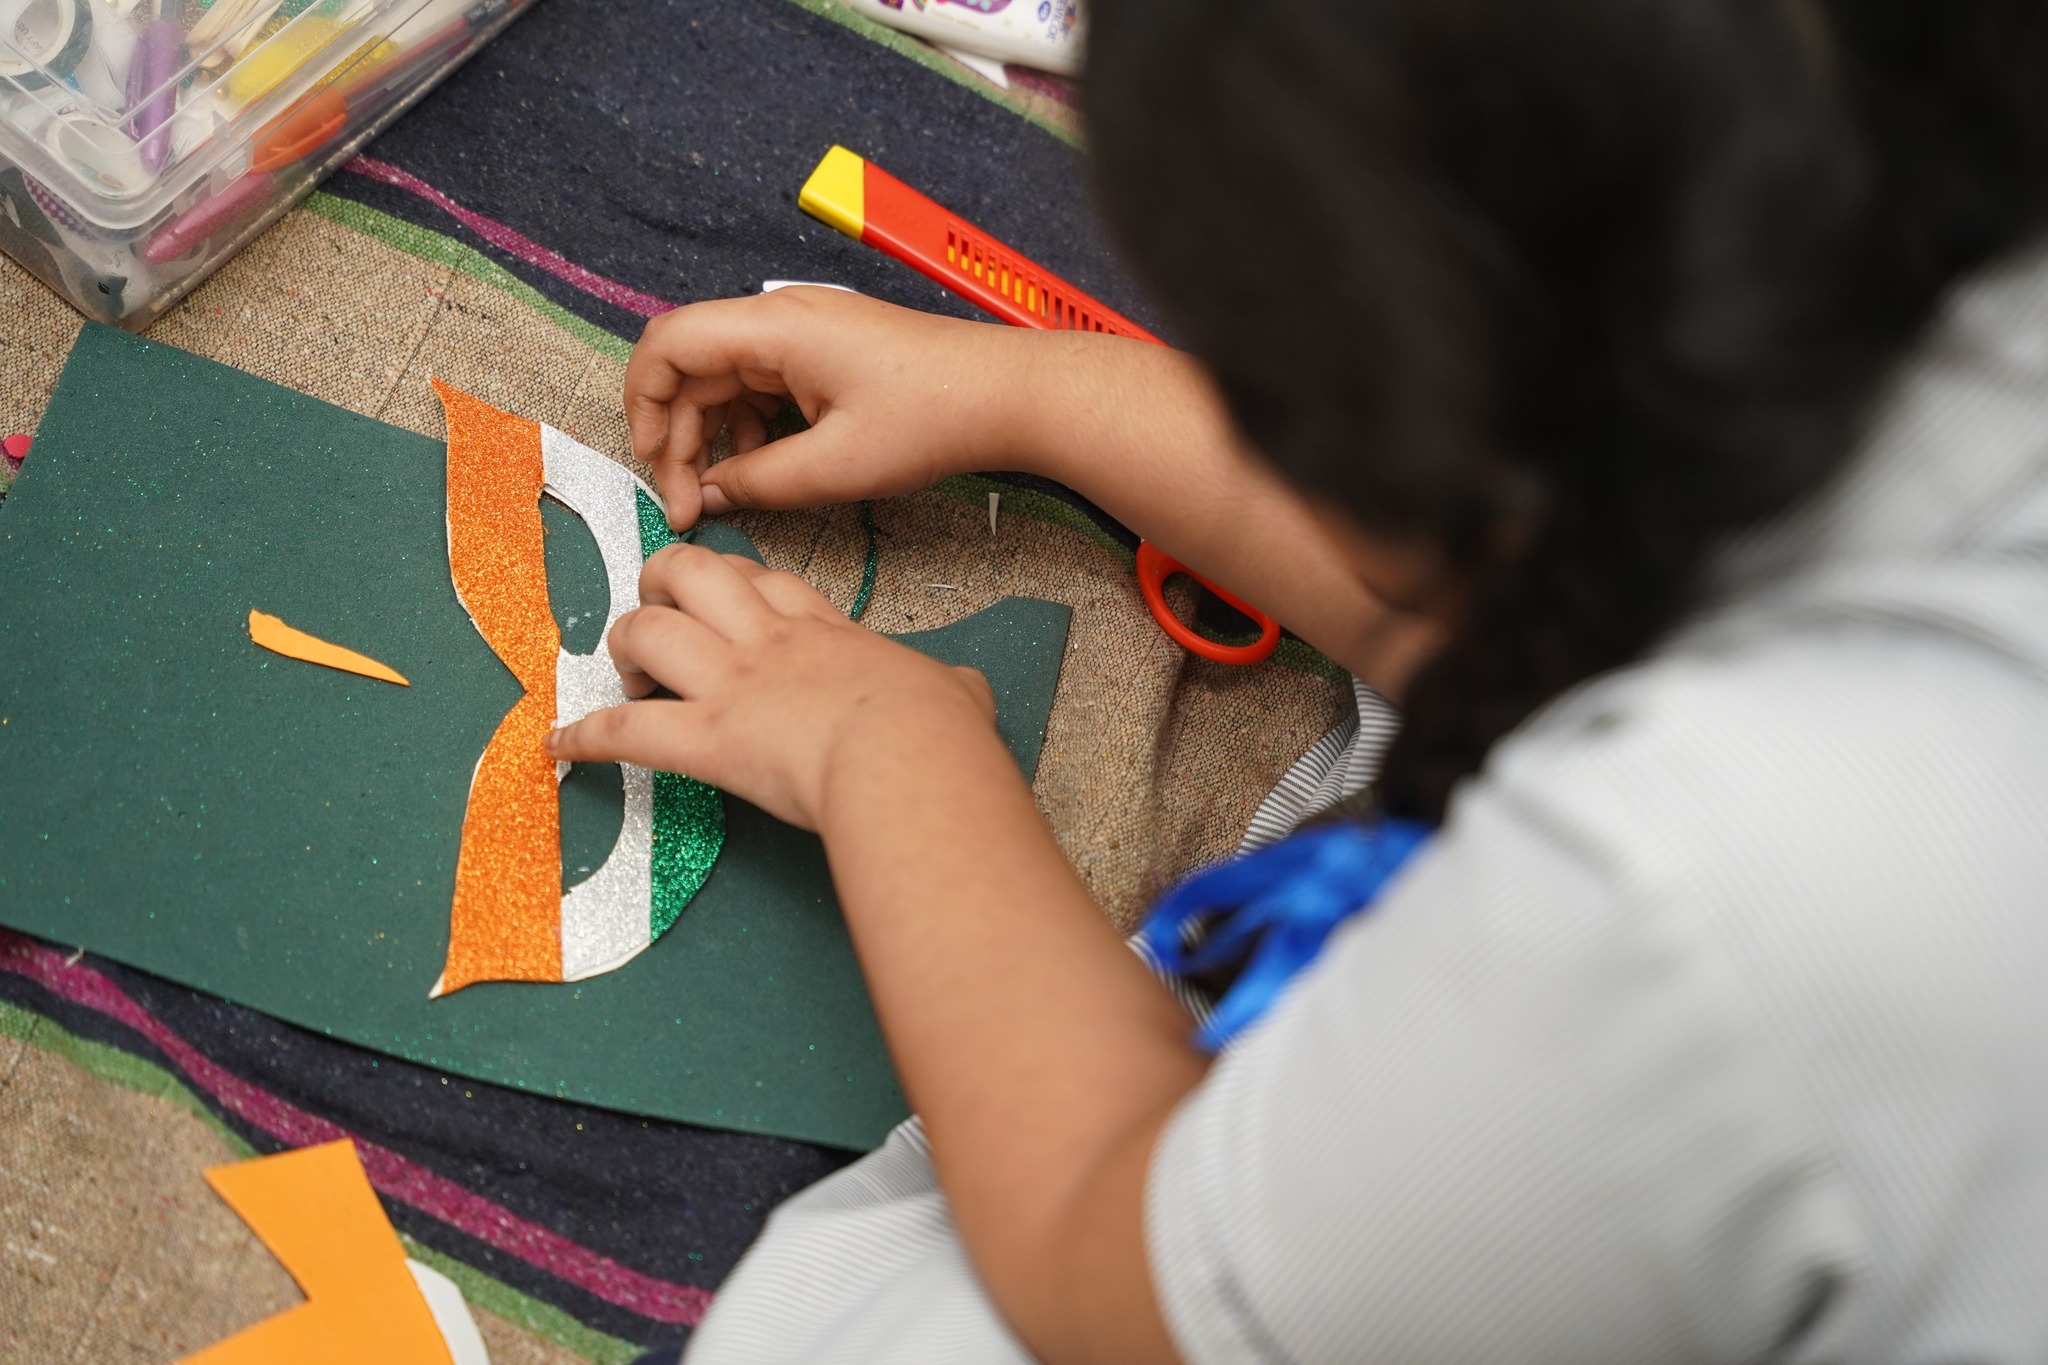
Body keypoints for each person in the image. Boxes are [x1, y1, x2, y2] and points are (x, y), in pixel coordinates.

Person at [548, 0, 2048, 1359]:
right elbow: (1543, 595)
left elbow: (1121, 1273)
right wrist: (1038, 392)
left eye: (1277, 399)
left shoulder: (1692, 902)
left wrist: (892, 756)